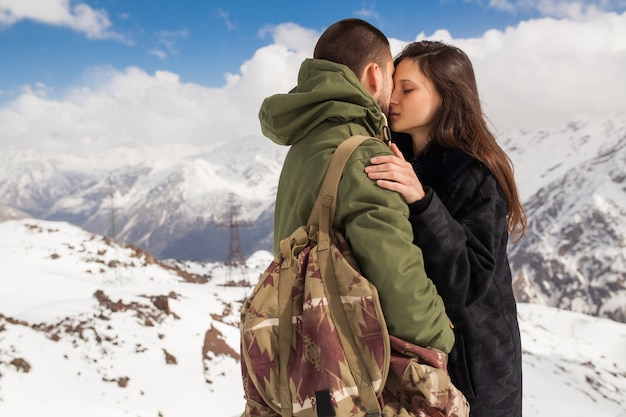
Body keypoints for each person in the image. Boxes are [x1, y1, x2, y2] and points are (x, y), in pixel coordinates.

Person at [259, 20, 454, 354]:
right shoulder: (362, 152)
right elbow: (395, 272)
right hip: (354, 358)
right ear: (375, 75)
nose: (392, 93)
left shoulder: (306, 144)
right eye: (394, 79)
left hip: (307, 348)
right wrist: (442, 335)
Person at [365, 40, 527, 417]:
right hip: (429, 365)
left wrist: (422, 204)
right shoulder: (403, 158)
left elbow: (469, 279)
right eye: (394, 86)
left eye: (408, 89)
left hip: (477, 374)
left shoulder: (476, 172)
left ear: (446, 96)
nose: (393, 100)